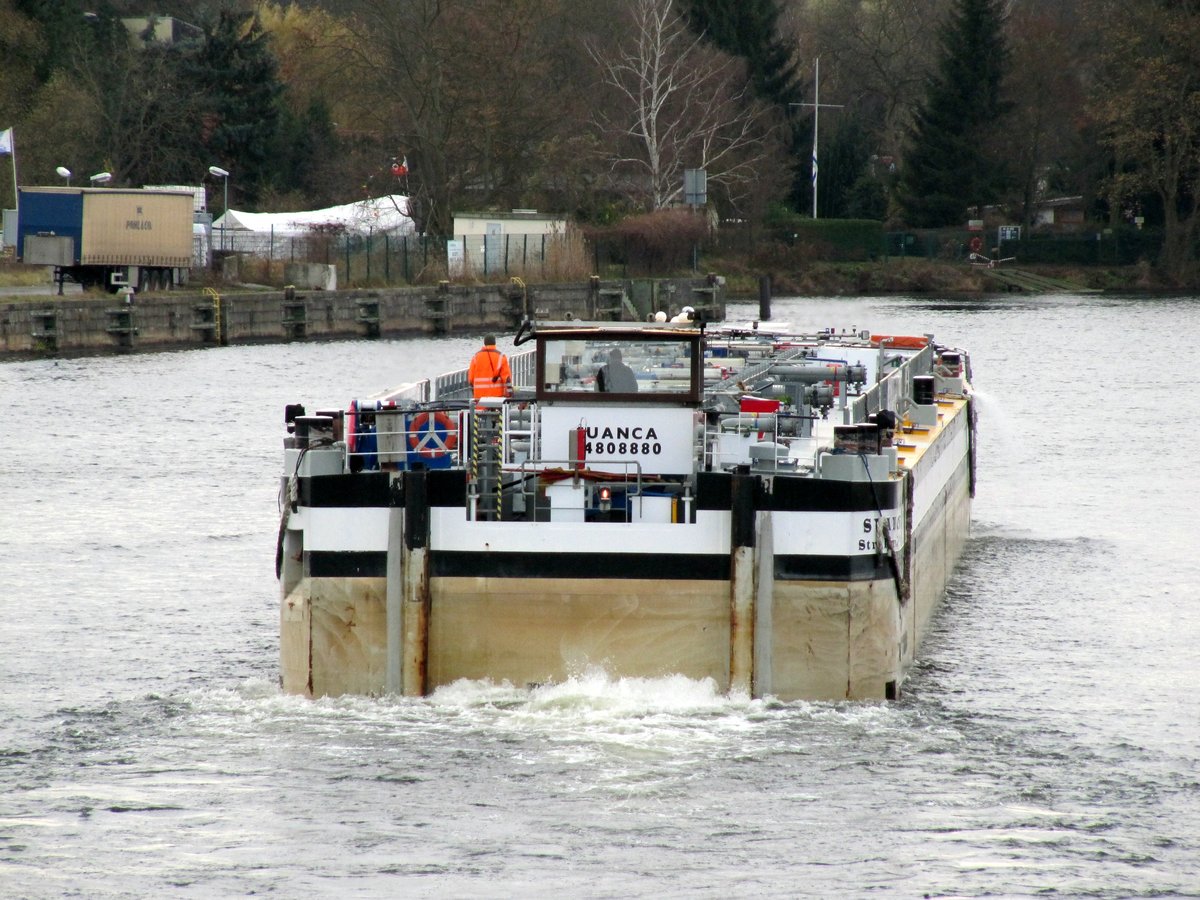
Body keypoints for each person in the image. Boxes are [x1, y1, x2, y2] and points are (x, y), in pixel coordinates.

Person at [468, 334, 511, 400]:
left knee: (480, 410)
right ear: (495, 342)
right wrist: (510, 393)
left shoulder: (476, 357)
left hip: (479, 398)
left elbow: (471, 379)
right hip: (497, 397)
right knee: (497, 410)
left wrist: (474, 392)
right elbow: (507, 379)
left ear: (484, 343)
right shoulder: (501, 357)